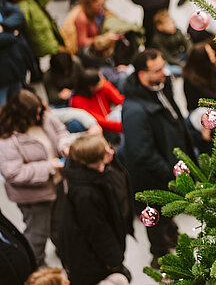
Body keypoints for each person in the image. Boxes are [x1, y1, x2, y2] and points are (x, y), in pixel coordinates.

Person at [120, 49, 194, 268]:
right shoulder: (134, 110)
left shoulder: (160, 86)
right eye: (158, 69)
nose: (165, 72)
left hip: (169, 163)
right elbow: (141, 153)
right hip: (153, 177)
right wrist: (170, 172)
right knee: (155, 217)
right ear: (143, 74)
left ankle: (173, 235)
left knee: (169, 210)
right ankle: (160, 255)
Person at [0, 90, 72, 266]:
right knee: (38, 233)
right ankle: (35, 265)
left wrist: (64, 145)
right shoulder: (8, 138)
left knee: (60, 225)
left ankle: (65, 252)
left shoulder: (44, 117)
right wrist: (48, 166)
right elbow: (13, 173)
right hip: (34, 196)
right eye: (36, 113)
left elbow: (61, 131)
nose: (40, 115)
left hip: (57, 185)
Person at [59, 134, 132, 284]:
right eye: (105, 152)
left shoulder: (95, 174)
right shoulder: (85, 193)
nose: (111, 152)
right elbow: (97, 230)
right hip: (90, 259)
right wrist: (114, 261)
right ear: (93, 161)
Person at [69, 69, 124, 136]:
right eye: (100, 82)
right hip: (100, 129)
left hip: (111, 122)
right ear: (91, 87)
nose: (104, 82)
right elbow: (98, 121)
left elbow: (120, 100)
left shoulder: (101, 87)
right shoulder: (77, 101)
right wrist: (124, 127)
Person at [0, 0, 31, 105]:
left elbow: (19, 15)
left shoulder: (3, 4)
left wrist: (3, 27)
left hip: (15, 68)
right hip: (2, 78)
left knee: (19, 105)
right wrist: (12, 34)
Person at [150, 10, 191, 77]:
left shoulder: (177, 31)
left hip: (180, 55)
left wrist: (189, 54)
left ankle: (187, 69)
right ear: (159, 27)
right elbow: (166, 56)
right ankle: (186, 71)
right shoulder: (157, 40)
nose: (173, 26)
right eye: (168, 24)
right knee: (168, 70)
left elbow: (187, 43)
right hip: (169, 61)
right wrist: (180, 64)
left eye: (173, 23)